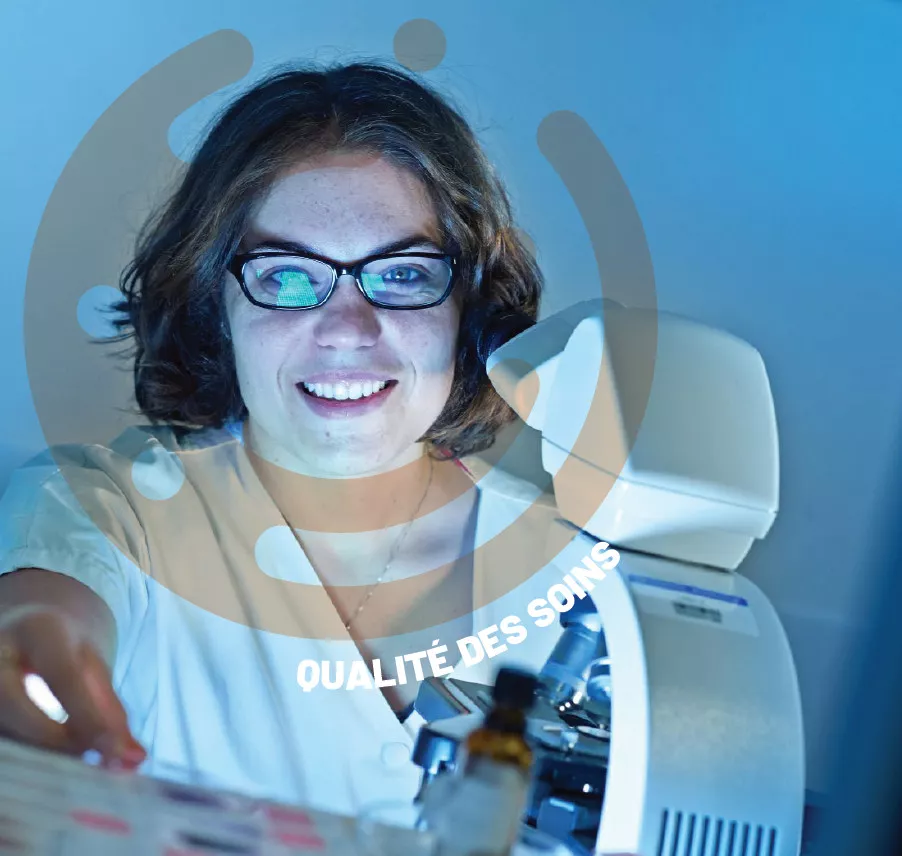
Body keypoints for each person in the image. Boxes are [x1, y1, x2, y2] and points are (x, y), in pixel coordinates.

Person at [0, 59, 569, 814]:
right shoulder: (111, 512)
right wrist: (28, 641)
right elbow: (49, 608)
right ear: (217, 304)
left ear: (469, 305)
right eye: (287, 276)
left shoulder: (577, 566)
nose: (346, 330)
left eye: (400, 274)